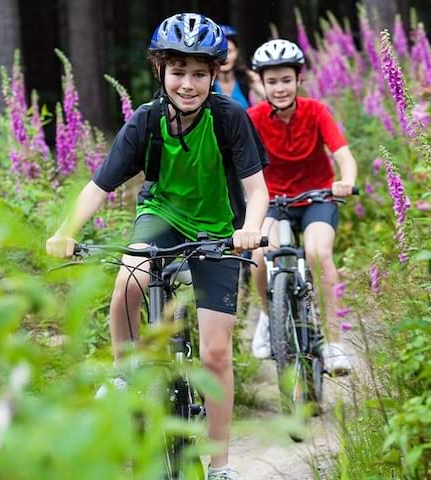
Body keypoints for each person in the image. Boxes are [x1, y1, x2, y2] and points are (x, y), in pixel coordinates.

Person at [45, 13, 268, 480]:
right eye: (178, 71)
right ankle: (125, 372)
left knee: (215, 355)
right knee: (130, 276)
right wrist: (66, 230)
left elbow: (256, 190)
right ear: (161, 72)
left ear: (213, 75)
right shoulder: (145, 121)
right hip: (161, 215)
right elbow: (97, 186)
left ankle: (222, 466)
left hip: (218, 228)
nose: (188, 83)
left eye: (200, 73)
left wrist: (249, 229)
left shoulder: (229, 117)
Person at [246, 39, 358, 375]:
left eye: (285, 80)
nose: (279, 88)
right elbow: (237, 163)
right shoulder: (252, 118)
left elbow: (343, 154)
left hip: (317, 199)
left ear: (297, 80)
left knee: (318, 253)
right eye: (271, 82)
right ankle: (269, 315)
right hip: (273, 201)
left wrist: (345, 180)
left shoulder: (316, 111)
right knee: (259, 255)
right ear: (261, 84)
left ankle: (335, 343)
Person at [213, 24, 265, 109]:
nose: (225, 58)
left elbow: (268, 100)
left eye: (229, 52)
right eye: (220, 53)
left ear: (237, 52)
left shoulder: (247, 79)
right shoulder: (207, 83)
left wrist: (256, 82)